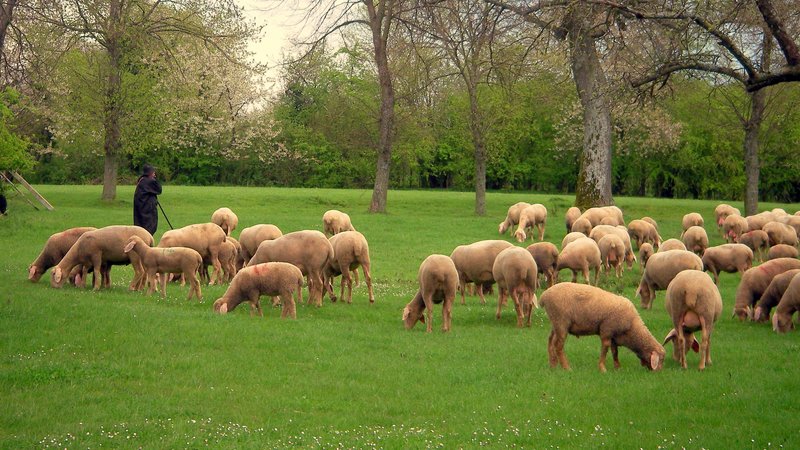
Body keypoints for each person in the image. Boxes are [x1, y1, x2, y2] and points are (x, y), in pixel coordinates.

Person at [133, 164, 162, 235]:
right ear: (150, 172)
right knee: (149, 228)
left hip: (140, 209)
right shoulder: (149, 181)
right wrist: (155, 179)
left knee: (141, 228)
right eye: (153, 172)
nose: (154, 173)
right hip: (148, 210)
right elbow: (159, 190)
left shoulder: (141, 180)